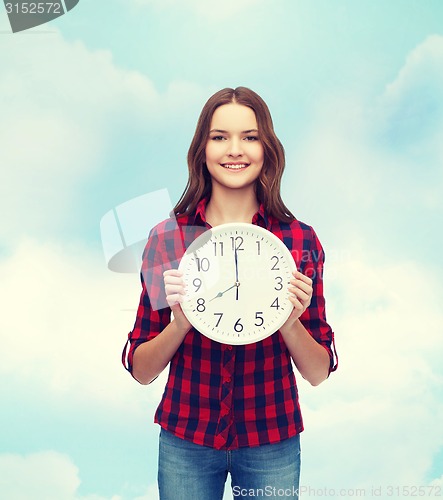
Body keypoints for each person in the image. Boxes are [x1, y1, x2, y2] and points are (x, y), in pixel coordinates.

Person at [122, 87, 337, 499]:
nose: (234, 149)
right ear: (202, 148)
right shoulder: (168, 239)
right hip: (186, 437)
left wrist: (290, 323)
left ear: (267, 148)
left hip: (271, 437)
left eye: (249, 136)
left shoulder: (298, 239)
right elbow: (141, 368)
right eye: (220, 136)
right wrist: (180, 324)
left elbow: (318, 372)